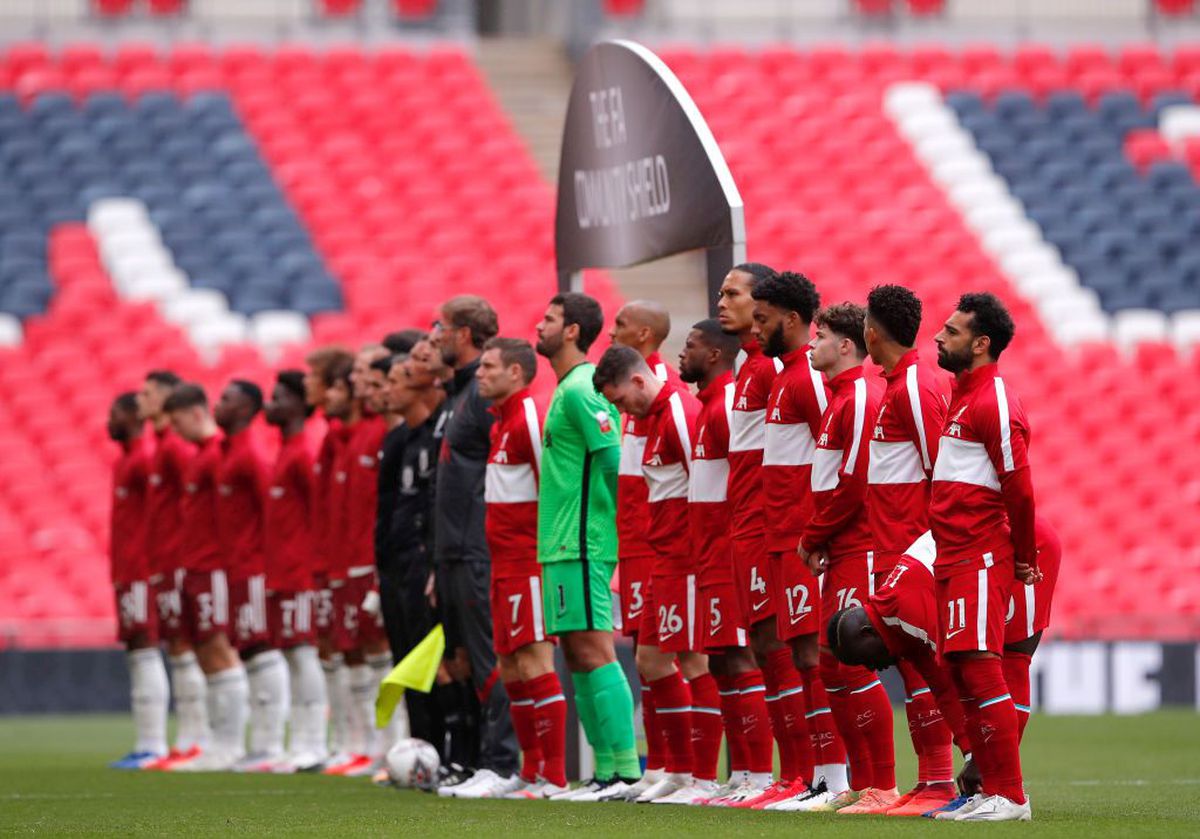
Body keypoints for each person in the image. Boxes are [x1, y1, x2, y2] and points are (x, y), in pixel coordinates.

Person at [928, 292, 1038, 822]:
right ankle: (986, 791)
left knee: (979, 664)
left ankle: (1010, 795)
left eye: (950, 332)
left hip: (979, 551)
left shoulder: (993, 398)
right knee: (960, 667)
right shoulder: (961, 395)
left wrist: (1021, 555)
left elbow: (1019, 486)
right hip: (951, 553)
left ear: (980, 343)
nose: (938, 337)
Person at [593, 345, 715, 804]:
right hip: (661, 556)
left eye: (622, 400)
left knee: (693, 660)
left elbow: (700, 485)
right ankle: (676, 770)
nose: (622, 410)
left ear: (640, 382)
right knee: (651, 660)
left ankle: (698, 776)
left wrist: (699, 555)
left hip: (685, 557)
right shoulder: (651, 418)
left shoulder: (680, 414)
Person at [789, 303, 896, 814]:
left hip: (861, 547)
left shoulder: (860, 397)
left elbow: (853, 484)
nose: (813, 344)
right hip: (841, 548)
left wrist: (812, 537)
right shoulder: (838, 399)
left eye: (821, 335)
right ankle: (862, 782)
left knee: (848, 662)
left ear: (847, 346)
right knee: (830, 664)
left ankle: (884, 784)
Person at [534, 292, 640, 801]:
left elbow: (612, 457)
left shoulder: (581, 389)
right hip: (560, 543)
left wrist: (615, 526)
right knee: (578, 653)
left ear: (572, 330)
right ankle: (605, 773)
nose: (540, 324)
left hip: (583, 541)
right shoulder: (564, 389)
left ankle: (624, 772)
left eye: (550, 319)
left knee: (596, 649)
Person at [863, 284, 957, 809]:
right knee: (910, 665)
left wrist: (924, 549)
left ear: (872, 331)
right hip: (892, 546)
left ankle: (941, 780)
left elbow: (941, 470)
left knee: (923, 665)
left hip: (912, 548)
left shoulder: (915, 388)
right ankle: (930, 781)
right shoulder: (900, 384)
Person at [747, 269, 835, 809]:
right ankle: (807, 776)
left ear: (793, 320)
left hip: (806, 540)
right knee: (798, 654)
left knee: (813, 653)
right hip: (779, 539)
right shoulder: (782, 378)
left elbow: (842, 449)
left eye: (763, 319)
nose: (756, 329)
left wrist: (820, 532)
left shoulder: (809, 378)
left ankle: (831, 776)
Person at [678, 318, 775, 805]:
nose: (682, 352)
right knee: (720, 661)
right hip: (709, 554)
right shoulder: (708, 408)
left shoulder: (725, 410)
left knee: (740, 657)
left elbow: (741, 486)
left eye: (690, 345)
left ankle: (758, 773)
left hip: (728, 548)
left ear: (715, 354)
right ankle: (740, 776)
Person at [429, 296, 521, 798]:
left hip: (476, 547)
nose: (437, 335)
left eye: (442, 327)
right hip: (451, 549)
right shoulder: (460, 395)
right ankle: (475, 758)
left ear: (463, 333)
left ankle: (502, 762)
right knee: (464, 661)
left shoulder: (484, 400)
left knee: (489, 657)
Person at [474, 337, 568, 800]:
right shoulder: (500, 423)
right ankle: (530, 772)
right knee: (510, 665)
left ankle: (552, 775)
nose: (479, 373)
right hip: (502, 565)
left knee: (534, 658)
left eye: (488, 366)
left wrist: (544, 553)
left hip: (528, 563)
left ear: (515, 372)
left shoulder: (529, 417)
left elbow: (551, 484)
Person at [823, 530, 973, 816]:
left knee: (989, 671)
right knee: (932, 677)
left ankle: (986, 785)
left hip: (996, 556)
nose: (872, 668)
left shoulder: (908, 609)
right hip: (899, 549)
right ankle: (934, 782)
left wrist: (974, 755)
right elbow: (941, 688)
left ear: (869, 633)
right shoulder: (896, 609)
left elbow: (949, 682)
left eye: (864, 659)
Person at [710, 262, 789, 806]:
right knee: (761, 648)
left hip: (768, 528)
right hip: (743, 528)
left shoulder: (772, 370)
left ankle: (802, 775)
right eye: (721, 292)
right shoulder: (747, 369)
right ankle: (767, 776)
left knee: (781, 649)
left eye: (733, 294)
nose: (722, 301)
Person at [607, 300, 683, 795]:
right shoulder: (633, 398)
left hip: (663, 548)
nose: (612, 332)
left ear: (644, 332)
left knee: (675, 658)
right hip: (637, 545)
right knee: (644, 654)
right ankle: (659, 766)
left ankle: (684, 767)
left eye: (619, 325)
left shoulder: (663, 393)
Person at [163, 384, 250, 772]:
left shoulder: (218, 455)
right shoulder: (202, 456)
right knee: (203, 653)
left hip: (213, 566)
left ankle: (231, 747)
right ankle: (218, 743)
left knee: (218, 650)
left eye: (178, 420)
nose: (175, 430)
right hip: (194, 566)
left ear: (196, 414)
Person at [379, 341, 455, 767]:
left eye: (396, 380)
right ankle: (423, 750)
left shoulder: (436, 433)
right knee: (412, 662)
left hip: (432, 560)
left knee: (444, 664)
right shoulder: (402, 440)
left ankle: (456, 754)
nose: (388, 391)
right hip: (402, 565)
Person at [323, 348, 392, 777]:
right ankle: (363, 744)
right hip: (346, 560)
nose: (360, 382)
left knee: (380, 650)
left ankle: (387, 744)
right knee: (355, 651)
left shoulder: (376, 432)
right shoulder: (347, 437)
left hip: (371, 560)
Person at [213, 380, 288, 773]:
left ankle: (270, 744)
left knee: (263, 648)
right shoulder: (229, 451)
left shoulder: (252, 453)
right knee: (249, 650)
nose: (217, 404)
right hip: (236, 569)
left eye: (226, 399)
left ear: (246, 409)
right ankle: (260, 744)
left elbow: (272, 512)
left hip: (255, 568)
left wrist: (266, 565)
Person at [137, 370, 208, 771]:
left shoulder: (177, 450)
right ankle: (189, 738)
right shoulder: (162, 446)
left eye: (148, 393)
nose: (141, 400)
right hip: (167, 560)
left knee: (189, 648)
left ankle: (196, 738)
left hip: (183, 560)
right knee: (179, 648)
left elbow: (191, 510)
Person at [263, 371, 329, 772]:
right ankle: (301, 741)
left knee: (306, 655)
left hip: (302, 571)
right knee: (293, 655)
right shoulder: (285, 449)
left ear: (298, 404)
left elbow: (319, 514)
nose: (270, 405)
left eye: (278, 398)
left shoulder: (304, 451)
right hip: (282, 571)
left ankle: (312, 743)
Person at [106, 392, 169, 770]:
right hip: (127, 570)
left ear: (132, 416)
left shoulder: (144, 459)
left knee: (145, 647)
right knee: (136, 650)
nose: (108, 421)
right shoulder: (127, 459)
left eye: (114, 413)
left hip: (142, 570)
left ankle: (154, 743)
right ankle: (147, 742)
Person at [303, 346, 356, 770]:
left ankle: (368, 744)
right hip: (330, 562)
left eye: (315, 376)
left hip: (356, 563)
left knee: (362, 649)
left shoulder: (361, 437)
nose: (309, 383)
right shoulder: (333, 438)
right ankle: (345, 742)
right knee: (335, 650)